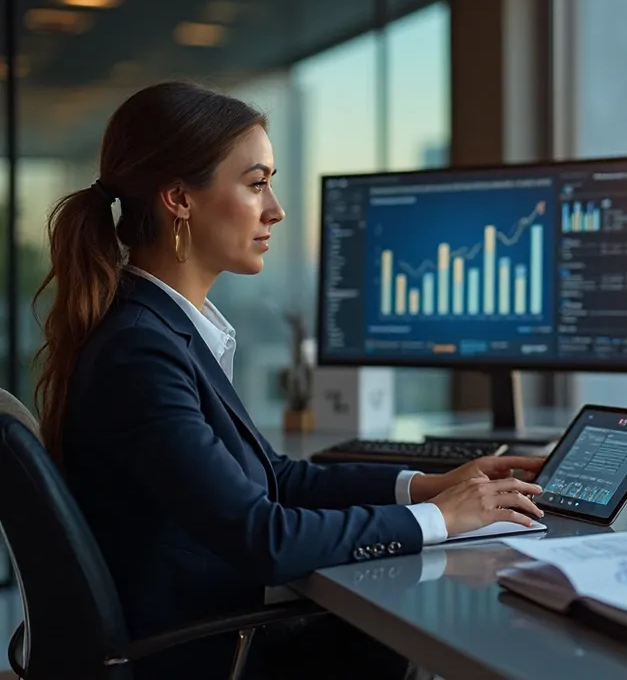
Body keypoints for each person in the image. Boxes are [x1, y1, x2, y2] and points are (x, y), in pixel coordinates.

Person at [32, 80, 547, 679]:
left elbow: (275, 478)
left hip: (208, 631)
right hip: (202, 659)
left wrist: (429, 487)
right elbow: (265, 537)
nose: (275, 209)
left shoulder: (160, 330)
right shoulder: (139, 351)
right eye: (256, 184)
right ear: (179, 199)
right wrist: (442, 520)